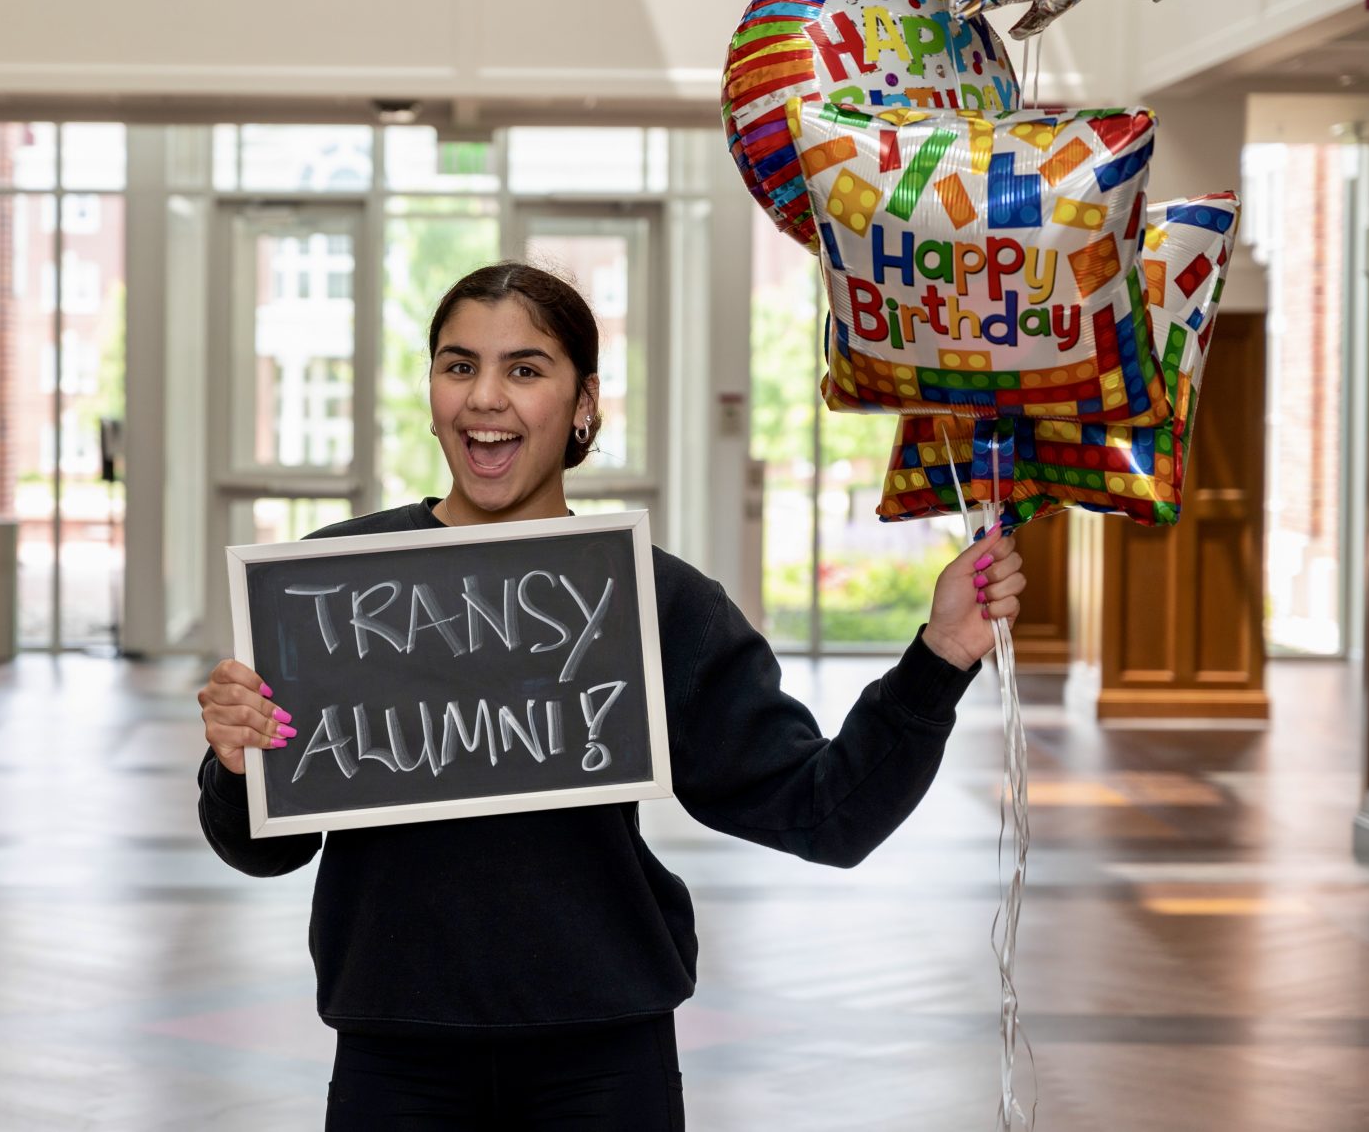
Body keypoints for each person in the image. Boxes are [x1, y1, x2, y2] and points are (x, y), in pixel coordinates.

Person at [197, 262, 1024, 1130]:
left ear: (584, 401)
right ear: (432, 390)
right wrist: (234, 759)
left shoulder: (656, 603)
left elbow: (827, 813)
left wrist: (940, 655)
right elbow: (260, 849)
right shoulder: (334, 584)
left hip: (601, 1059)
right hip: (394, 1051)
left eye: (525, 368)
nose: (485, 397)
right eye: (458, 365)